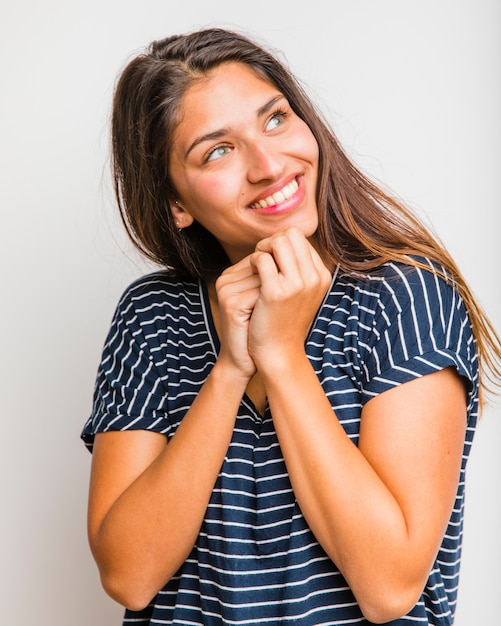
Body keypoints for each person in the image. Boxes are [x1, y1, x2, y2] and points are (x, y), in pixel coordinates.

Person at [81, 27, 501, 625]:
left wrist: (280, 355)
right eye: (217, 151)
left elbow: (388, 586)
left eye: (275, 119)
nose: (269, 165)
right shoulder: (152, 318)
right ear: (175, 201)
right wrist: (230, 368)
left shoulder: (407, 296)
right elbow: (129, 576)